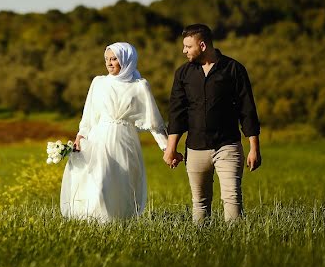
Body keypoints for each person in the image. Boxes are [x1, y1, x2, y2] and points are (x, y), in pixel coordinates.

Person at [163, 24, 262, 223]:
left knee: (232, 200)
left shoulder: (234, 69)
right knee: (200, 204)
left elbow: (248, 110)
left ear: (202, 45)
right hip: (195, 148)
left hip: (228, 146)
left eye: (188, 47)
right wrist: (170, 149)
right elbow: (177, 114)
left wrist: (254, 148)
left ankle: (235, 246)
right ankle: (202, 247)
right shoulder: (183, 74)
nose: (184, 51)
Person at [60, 42, 169, 222]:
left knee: (121, 182)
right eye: (107, 59)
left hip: (124, 139)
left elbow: (153, 122)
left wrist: (167, 148)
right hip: (98, 138)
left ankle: (119, 220)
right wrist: (80, 136)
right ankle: (96, 220)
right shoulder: (99, 82)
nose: (109, 63)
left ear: (127, 60)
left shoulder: (140, 86)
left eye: (114, 59)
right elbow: (89, 114)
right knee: (98, 178)